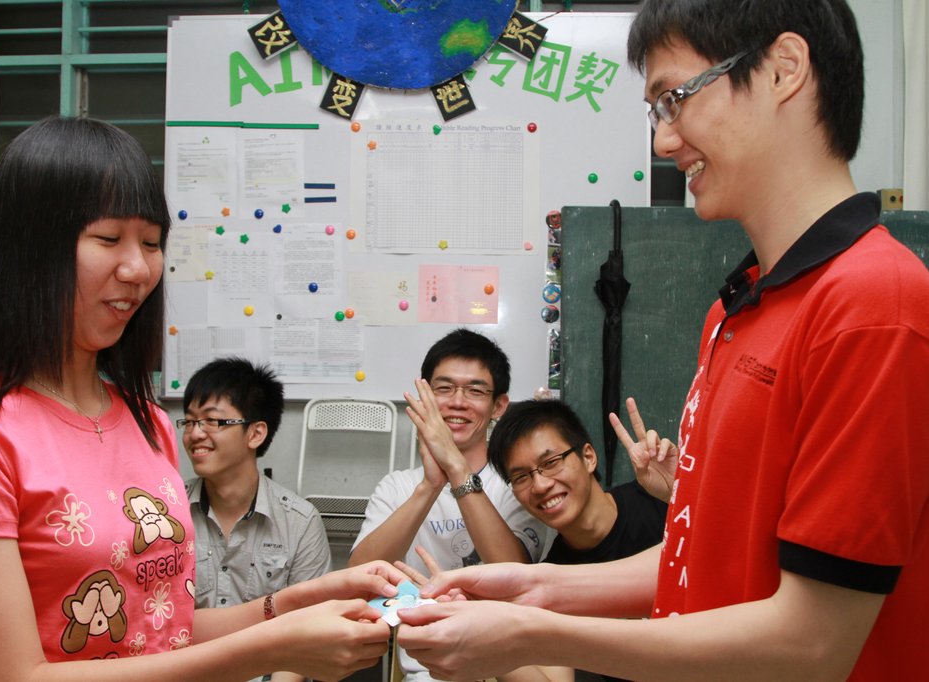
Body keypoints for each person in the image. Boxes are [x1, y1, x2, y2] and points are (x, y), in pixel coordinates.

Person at [395, 1, 929, 680]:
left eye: (673, 99)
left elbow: (813, 643)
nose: (664, 142)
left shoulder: (873, 304)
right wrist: (531, 588)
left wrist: (530, 634)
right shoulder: (735, 307)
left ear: (783, 69)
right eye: (656, 112)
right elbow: (695, 553)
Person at [0, 116, 405, 682]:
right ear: (30, 248)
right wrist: (272, 649)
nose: (139, 269)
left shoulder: (145, 418)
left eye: (151, 242)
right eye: (108, 239)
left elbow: (162, 631)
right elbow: (10, 676)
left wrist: (294, 603)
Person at [350, 328, 547, 681]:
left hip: (509, 667)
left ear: (499, 406)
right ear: (423, 397)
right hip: (424, 671)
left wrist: (456, 471)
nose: (458, 402)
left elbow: (515, 575)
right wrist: (429, 487)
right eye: (444, 388)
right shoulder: (397, 487)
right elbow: (359, 580)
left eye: (475, 391)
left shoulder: (517, 482)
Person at [181, 356, 332, 682]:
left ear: (255, 433)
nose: (195, 434)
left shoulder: (300, 522)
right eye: (189, 422)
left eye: (211, 421)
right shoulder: (166, 512)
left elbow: (306, 634)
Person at [488, 398, 670, 567]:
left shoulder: (661, 502)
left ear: (588, 457)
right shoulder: (554, 578)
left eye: (550, 463)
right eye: (521, 477)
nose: (540, 486)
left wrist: (676, 495)